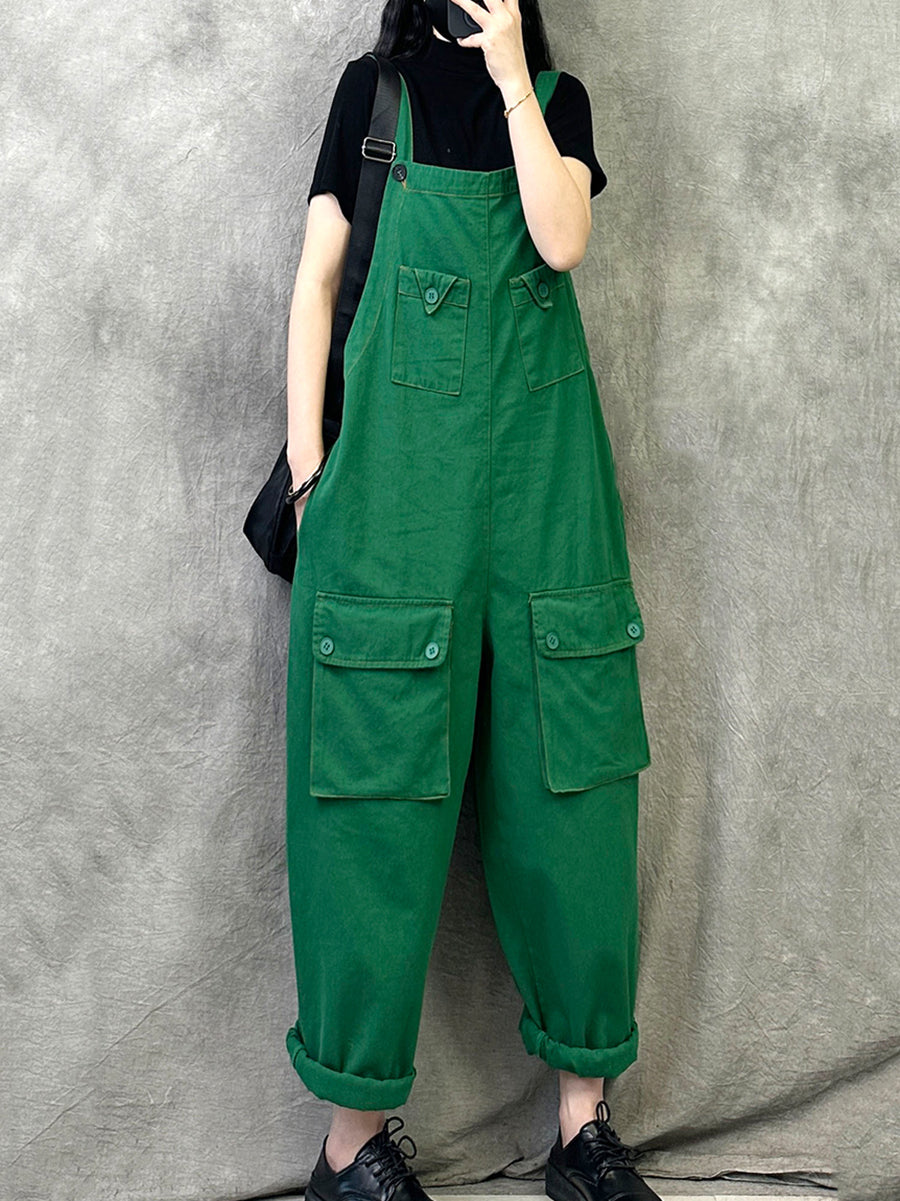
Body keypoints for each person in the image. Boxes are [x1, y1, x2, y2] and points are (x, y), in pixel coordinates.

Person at [282, 0, 659, 1199]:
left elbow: (561, 238)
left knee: (573, 788)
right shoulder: (373, 97)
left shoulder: (556, 106)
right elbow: (318, 281)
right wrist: (309, 478)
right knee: (372, 803)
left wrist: (510, 81)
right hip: (391, 497)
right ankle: (351, 1149)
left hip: (547, 496)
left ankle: (582, 1132)